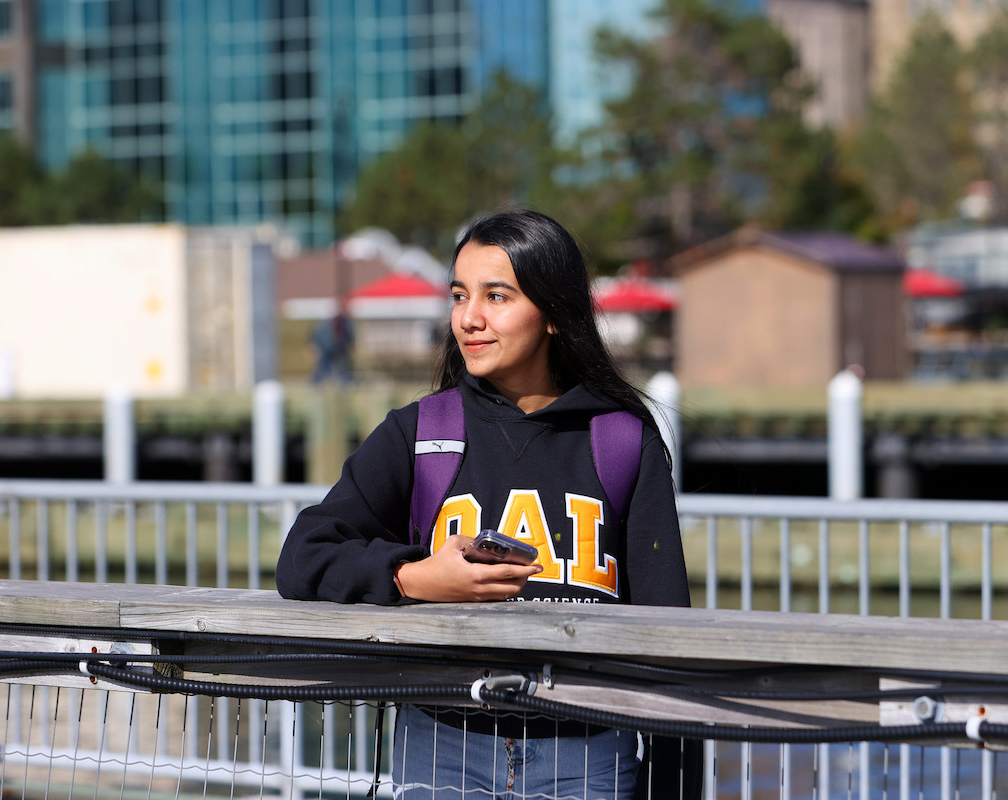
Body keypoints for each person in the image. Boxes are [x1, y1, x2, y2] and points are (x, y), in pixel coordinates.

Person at [276, 209, 699, 799]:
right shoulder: (420, 432)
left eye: (496, 296)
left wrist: (677, 784)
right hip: (439, 744)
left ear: (552, 313)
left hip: (585, 750)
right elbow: (303, 556)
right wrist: (415, 577)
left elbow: (671, 639)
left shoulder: (622, 439)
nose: (468, 318)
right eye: (458, 295)